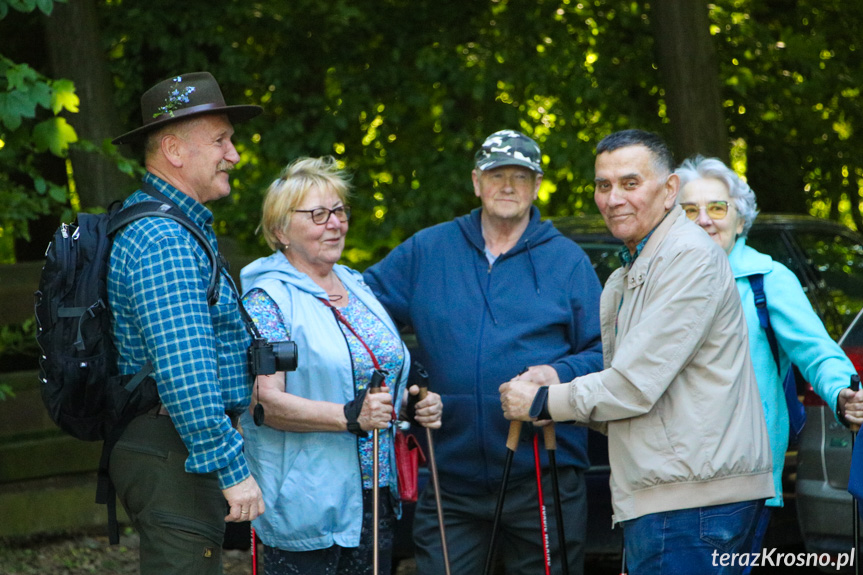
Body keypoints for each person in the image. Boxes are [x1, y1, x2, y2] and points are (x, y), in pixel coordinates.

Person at [500, 129, 775, 575]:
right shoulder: (633, 271)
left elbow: (632, 386)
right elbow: (632, 396)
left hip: (692, 501)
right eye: (603, 186)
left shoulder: (687, 257)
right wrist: (561, 393)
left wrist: (542, 401)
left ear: (669, 190)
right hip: (675, 493)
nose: (613, 199)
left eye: (630, 183)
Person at [364, 129, 604, 575]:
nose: (508, 186)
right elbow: (361, 316)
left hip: (542, 475)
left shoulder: (568, 261)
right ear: (477, 181)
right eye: (497, 174)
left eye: (520, 176)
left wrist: (558, 373)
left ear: (536, 185)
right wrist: (413, 383)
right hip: (449, 477)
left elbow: (606, 351)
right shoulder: (428, 249)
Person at [238, 156, 443, 575]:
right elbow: (264, 401)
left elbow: (369, 375)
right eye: (317, 214)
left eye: (339, 210)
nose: (335, 223)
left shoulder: (355, 284)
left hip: (372, 496)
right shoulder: (268, 301)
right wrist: (350, 417)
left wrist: (408, 405)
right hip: (305, 502)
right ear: (281, 231)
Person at [107, 72, 265, 574]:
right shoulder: (165, 240)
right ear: (174, 150)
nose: (233, 154)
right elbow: (185, 370)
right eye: (221, 140)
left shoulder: (170, 225)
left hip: (173, 444)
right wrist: (231, 467)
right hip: (174, 447)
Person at [675, 155, 863, 563]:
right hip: (670, 474)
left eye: (717, 208)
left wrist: (843, 393)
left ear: (740, 221)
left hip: (740, 477)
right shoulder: (660, 282)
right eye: (689, 210)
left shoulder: (767, 279)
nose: (703, 219)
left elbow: (817, 352)